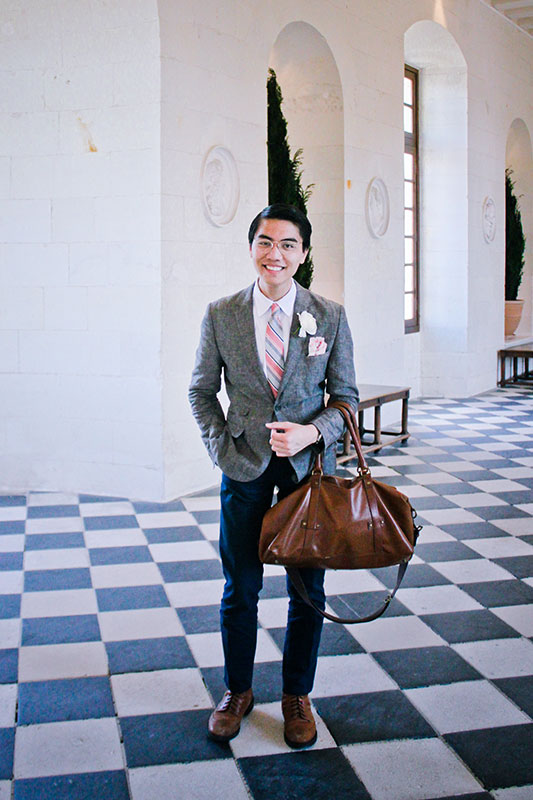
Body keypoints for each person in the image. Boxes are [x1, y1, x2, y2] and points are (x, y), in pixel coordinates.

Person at [189, 203, 358, 748]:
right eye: (266, 242)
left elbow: (347, 401)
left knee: (308, 590)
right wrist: (221, 449)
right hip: (244, 466)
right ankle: (238, 691)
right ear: (251, 248)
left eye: (288, 244)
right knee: (240, 586)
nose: (275, 254)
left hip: (309, 476)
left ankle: (296, 696)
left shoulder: (328, 315)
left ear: (303, 253)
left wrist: (312, 435)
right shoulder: (222, 313)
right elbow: (200, 390)